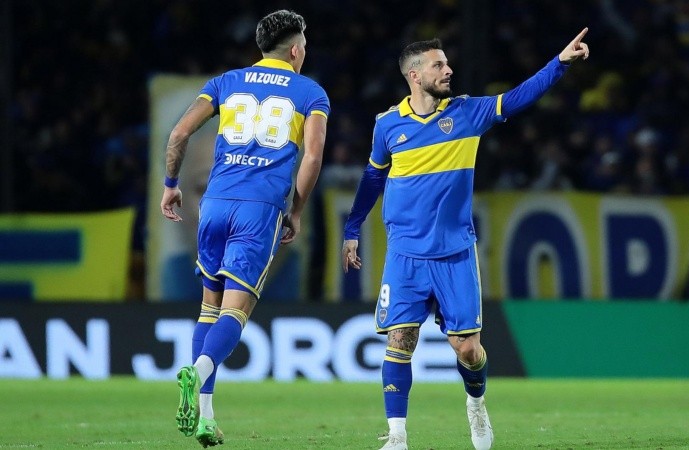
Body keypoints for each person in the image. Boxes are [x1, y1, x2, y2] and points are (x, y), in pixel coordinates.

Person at [341, 30, 590, 450]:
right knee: (399, 342)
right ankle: (397, 437)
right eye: (438, 64)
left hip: (454, 252)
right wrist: (352, 230)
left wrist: (560, 63)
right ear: (415, 76)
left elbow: (518, 97)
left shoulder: (467, 113)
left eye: (446, 63)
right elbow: (372, 177)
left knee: (468, 350)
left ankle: (476, 404)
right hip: (404, 254)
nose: (449, 69)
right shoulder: (387, 124)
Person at [160, 9, 329, 447]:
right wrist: (297, 210)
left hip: (214, 204)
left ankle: (206, 416)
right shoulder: (310, 92)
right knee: (236, 312)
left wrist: (172, 185)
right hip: (259, 208)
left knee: (208, 309)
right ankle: (196, 373)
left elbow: (178, 135)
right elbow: (312, 157)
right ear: (296, 51)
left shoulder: (225, 82)